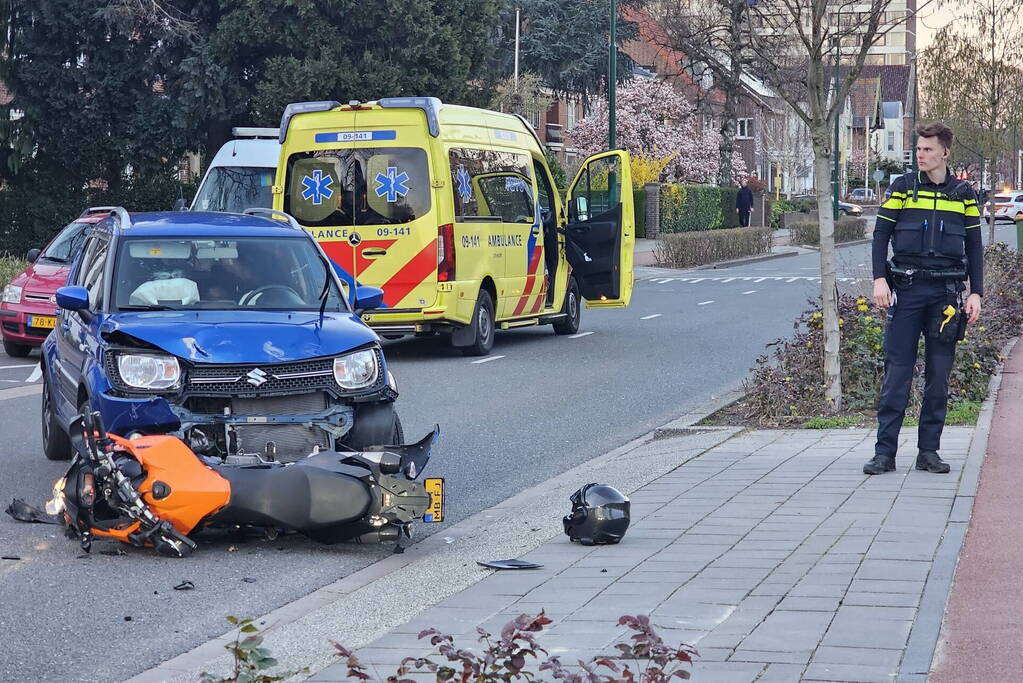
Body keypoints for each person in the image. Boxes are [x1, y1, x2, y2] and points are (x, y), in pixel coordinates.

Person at [864, 121, 983, 476]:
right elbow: (880, 234)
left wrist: (976, 292)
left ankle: (928, 452)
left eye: (927, 149)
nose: (920, 154)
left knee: (938, 377)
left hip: (945, 297)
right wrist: (879, 279)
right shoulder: (902, 188)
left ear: (945, 152)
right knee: (897, 374)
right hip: (907, 292)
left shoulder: (963, 194)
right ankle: (884, 453)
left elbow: (974, 246)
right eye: (918, 148)